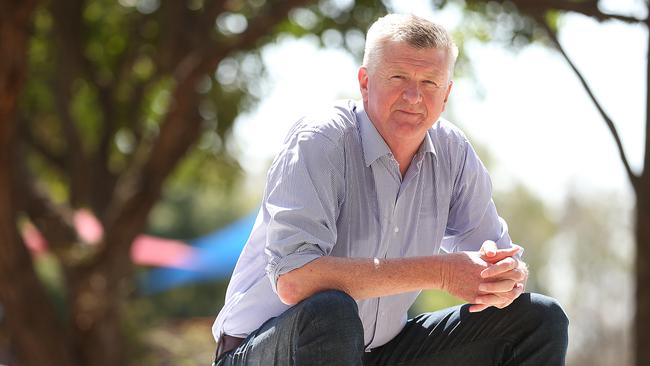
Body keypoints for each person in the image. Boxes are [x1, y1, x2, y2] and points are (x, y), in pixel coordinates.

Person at [211, 13, 568, 366]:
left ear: (446, 93)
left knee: (539, 319)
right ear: (365, 82)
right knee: (330, 311)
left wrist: (503, 275)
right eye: (399, 77)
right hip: (261, 349)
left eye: (430, 82)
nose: (414, 96)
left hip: (375, 353)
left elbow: (496, 261)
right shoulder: (322, 140)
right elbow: (294, 279)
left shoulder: (454, 153)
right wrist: (442, 272)